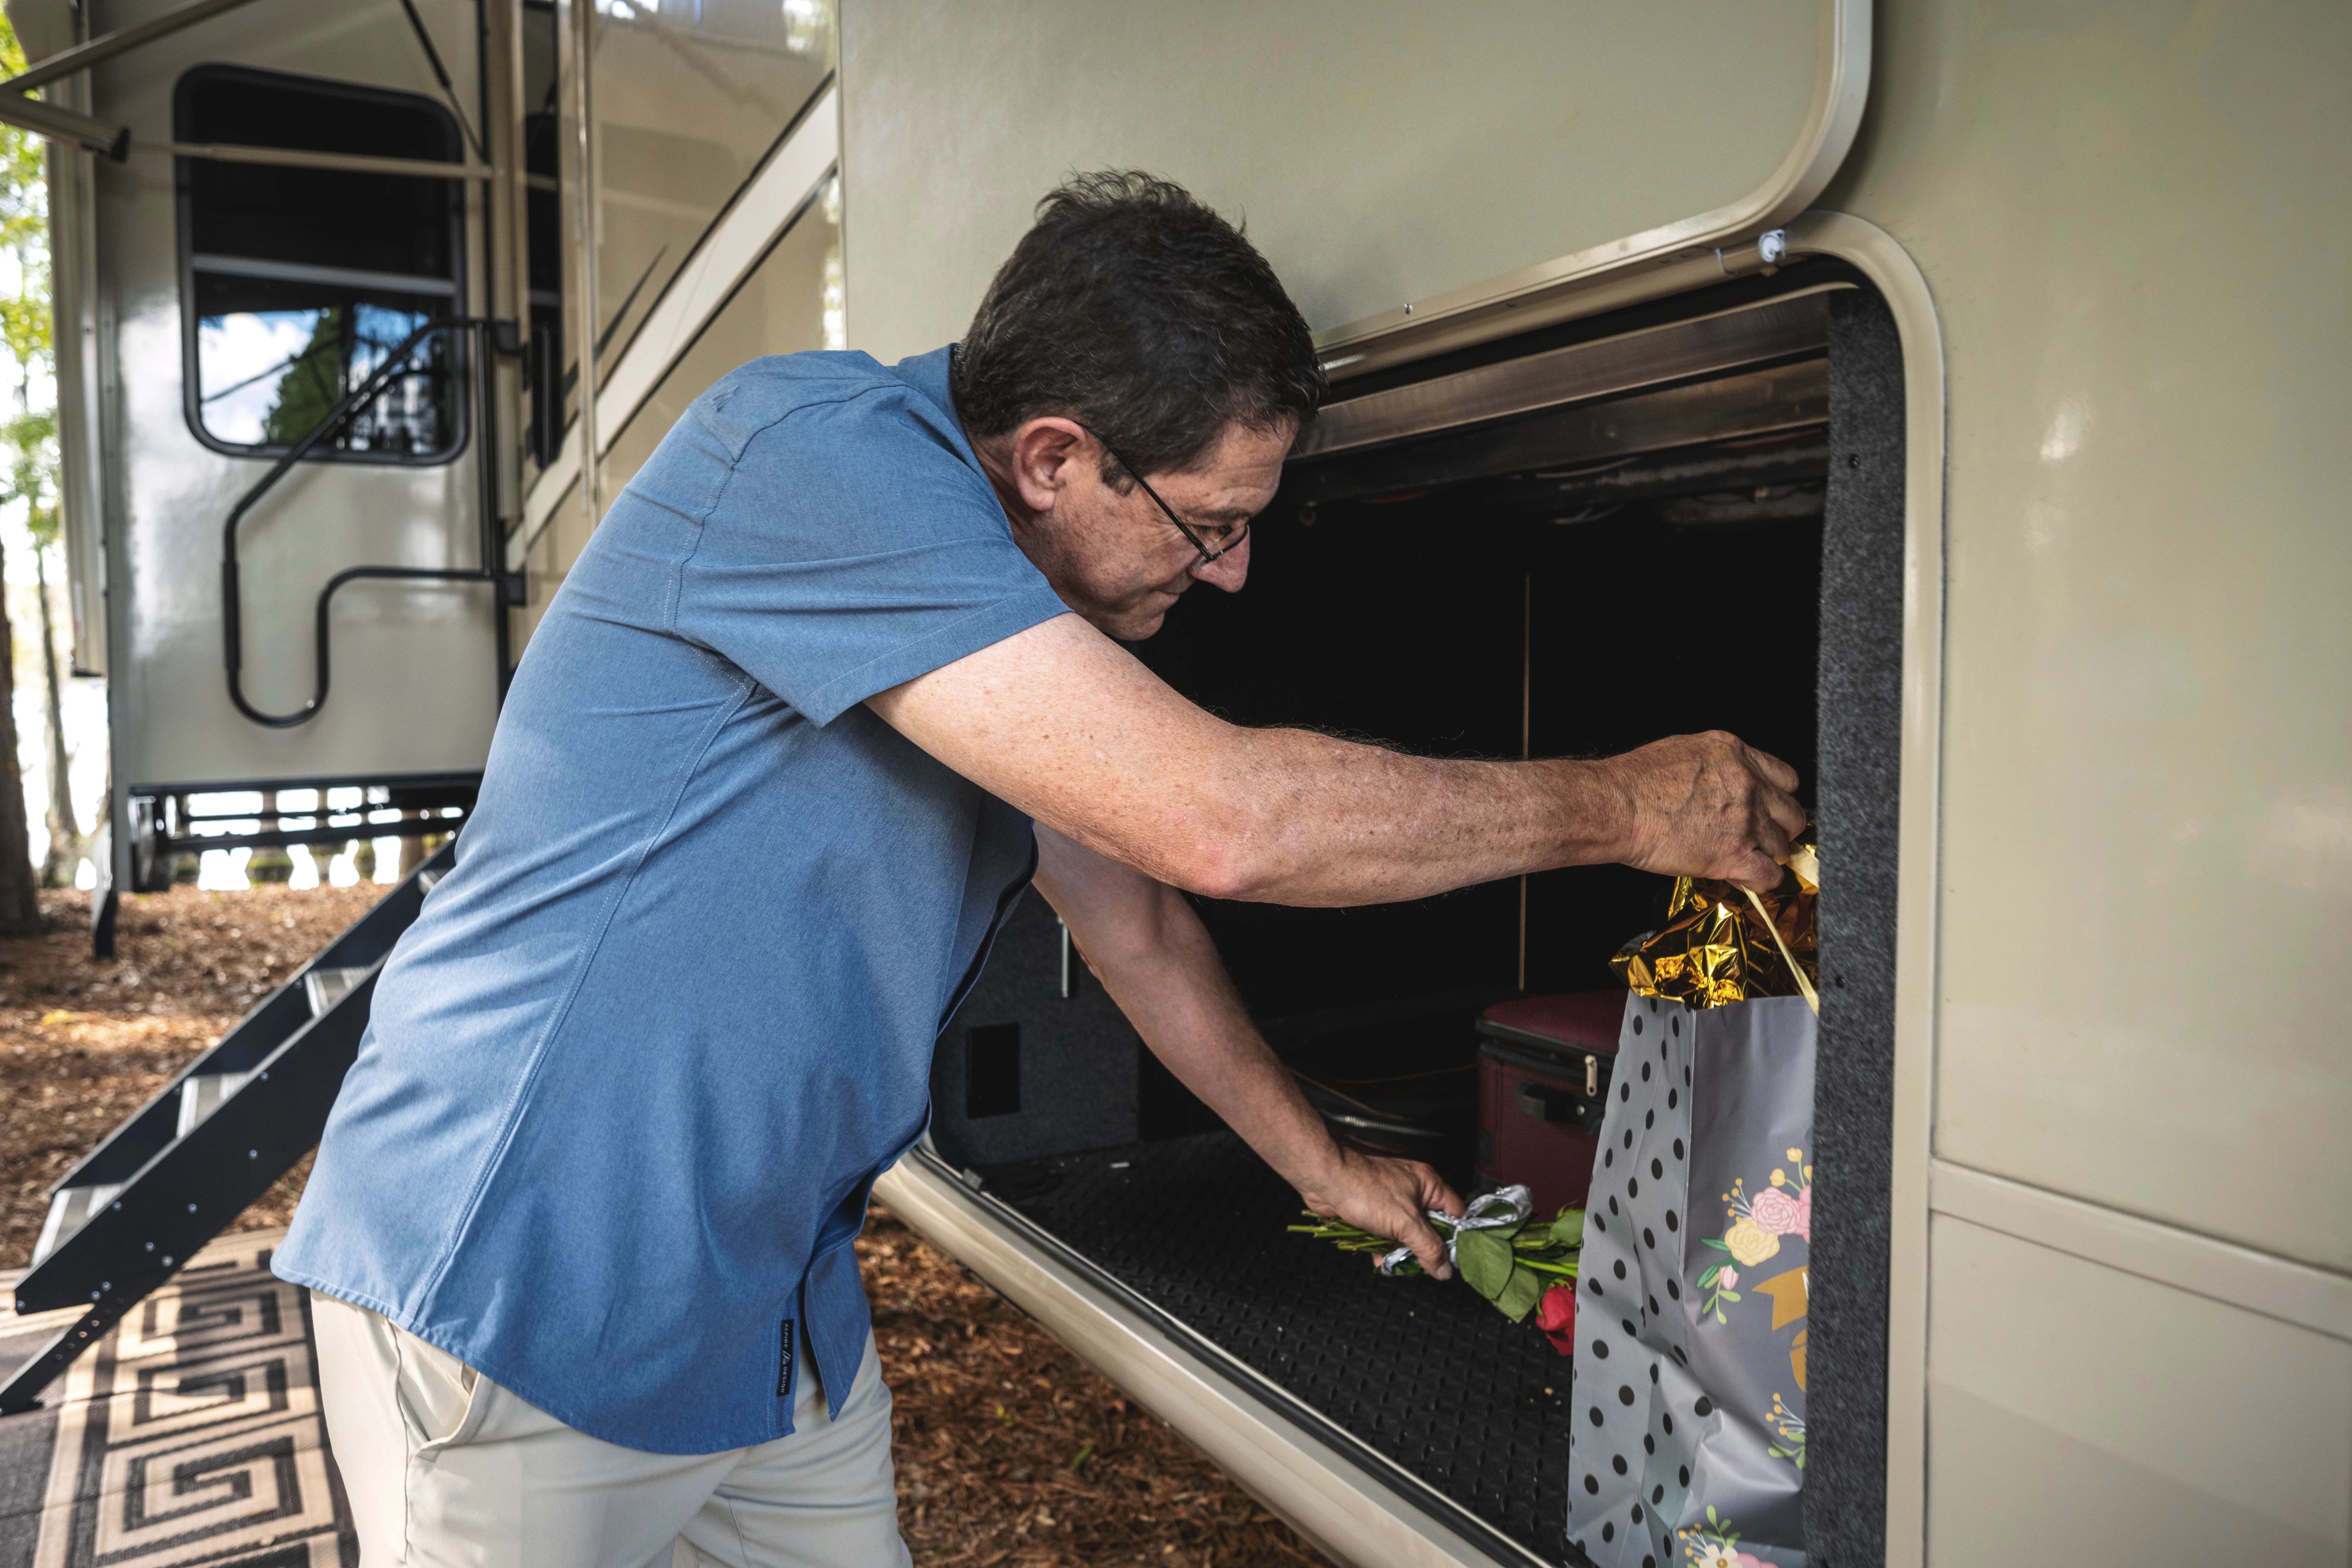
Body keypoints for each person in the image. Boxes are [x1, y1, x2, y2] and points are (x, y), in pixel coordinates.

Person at [277, 171, 1803, 1566]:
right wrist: (1631, 806)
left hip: (768, 1313)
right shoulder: (815, 458)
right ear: (1056, 458)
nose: (1234, 573)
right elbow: (1220, 822)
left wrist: (1319, 1163)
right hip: (524, 1295)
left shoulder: (986, 581)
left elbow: (1131, 905)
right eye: (1211, 526)